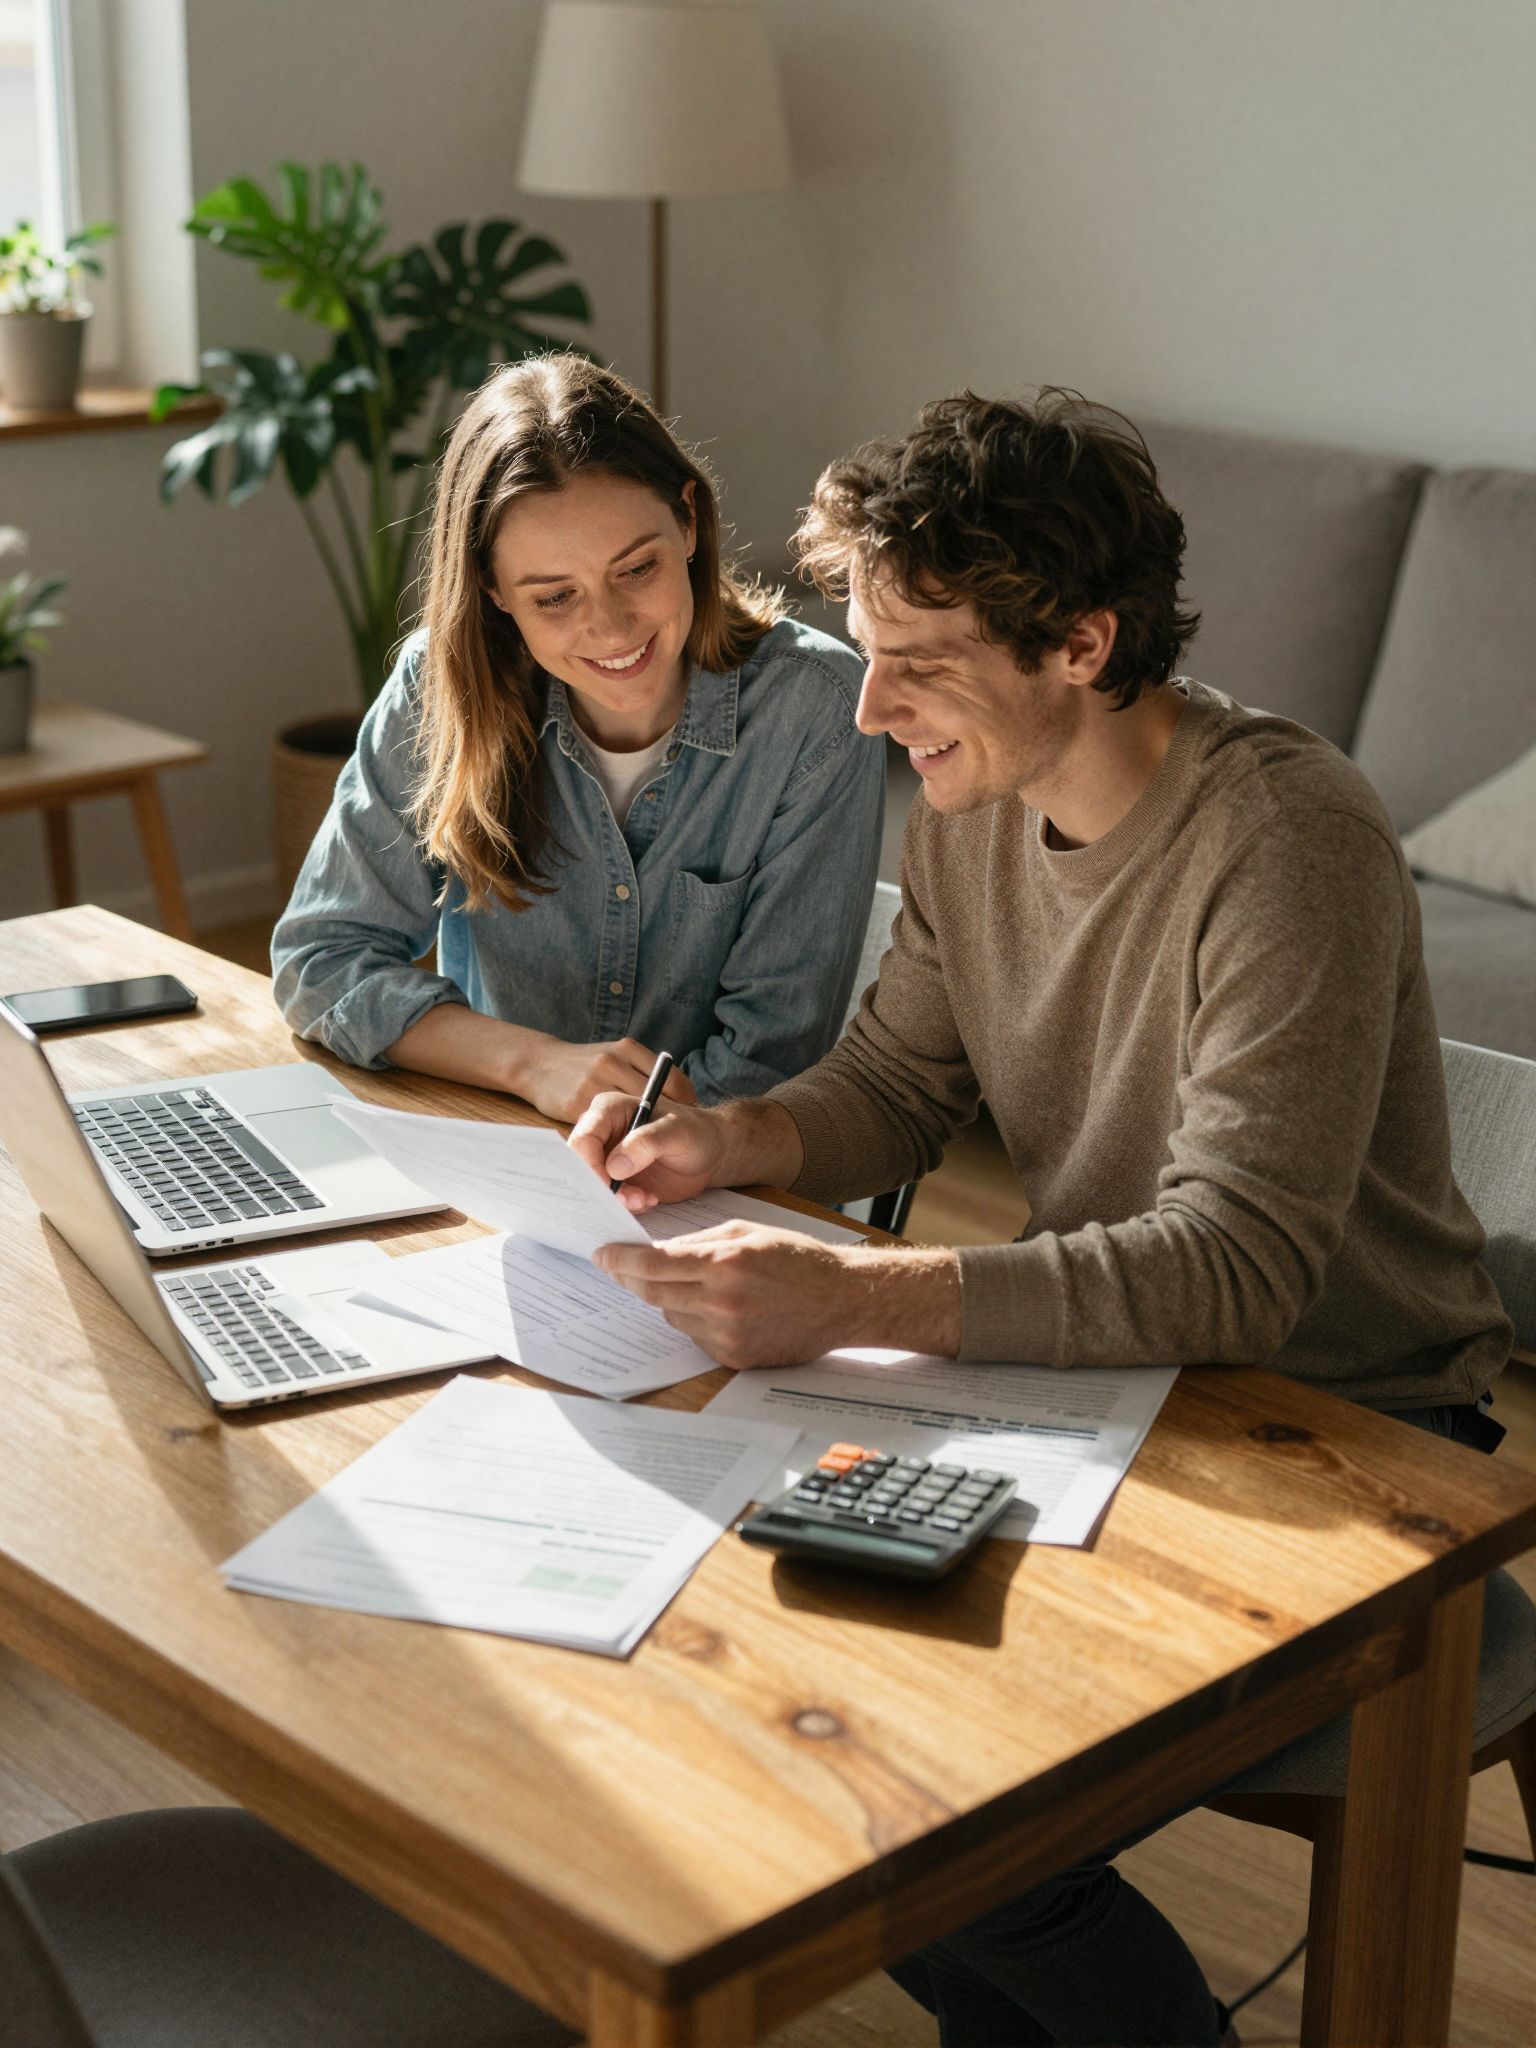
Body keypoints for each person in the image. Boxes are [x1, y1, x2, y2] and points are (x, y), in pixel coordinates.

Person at [570, 389, 1515, 2046]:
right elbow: (898, 1082)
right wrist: (735, 1136)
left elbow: (1236, 1266)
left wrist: (852, 1299)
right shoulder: (972, 808)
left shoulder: (1287, 838)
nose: (870, 709)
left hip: (1341, 1429)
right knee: (828, 1729)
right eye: (866, 650)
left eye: (917, 659)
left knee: (964, 1839)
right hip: (1112, 1392)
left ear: (1081, 642)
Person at [272, 355, 884, 1122]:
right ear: (493, 589)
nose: (609, 627)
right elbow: (320, 962)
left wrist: (606, 1143)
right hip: (498, 1150)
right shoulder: (443, 686)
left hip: (707, 1187)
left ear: (689, 521)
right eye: (554, 596)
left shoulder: (816, 710)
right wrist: (532, 1065)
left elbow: (763, 1067)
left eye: (636, 569)